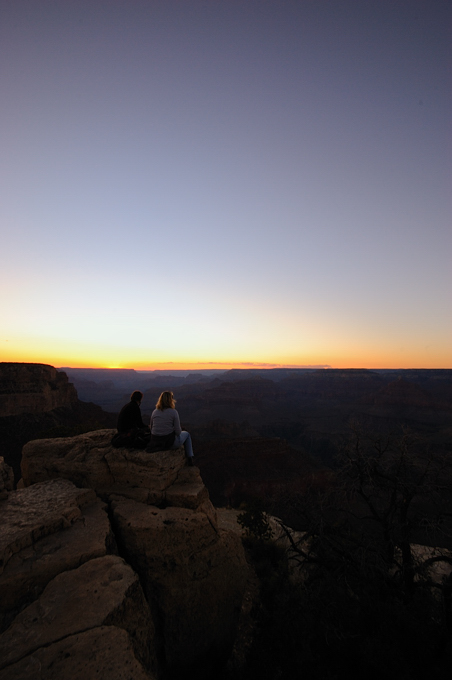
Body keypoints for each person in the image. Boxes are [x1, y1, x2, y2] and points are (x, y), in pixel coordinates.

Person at [149, 390, 195, 465]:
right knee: (187, 435)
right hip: (169, 443)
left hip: (156, 442)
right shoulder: (173, 412)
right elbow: (178, 432)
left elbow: (151, 428)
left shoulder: (155, 411)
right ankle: (190, 458)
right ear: (171, 400)